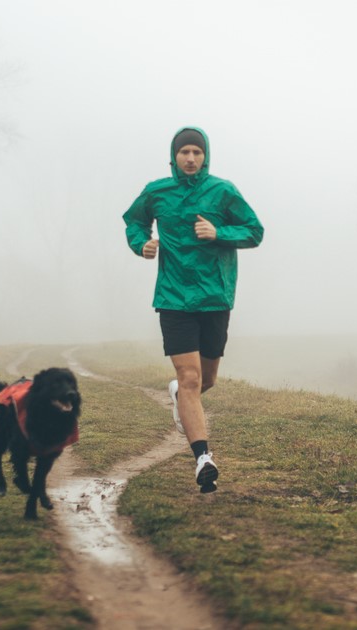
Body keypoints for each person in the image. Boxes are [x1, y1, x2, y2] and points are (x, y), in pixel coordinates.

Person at [122, 126, 264, 493]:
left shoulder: (223, 191)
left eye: (196, 153)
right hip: (173, 297)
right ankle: (203, 457)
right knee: (190, 379)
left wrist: (219, 233)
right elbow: (134, 220)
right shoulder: (157, 191)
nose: (190, 158)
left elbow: (254, 230)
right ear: (174, 157)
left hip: (215, 295)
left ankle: (179, 397)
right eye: (184, 152)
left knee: (206, 379)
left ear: (205, 156)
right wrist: (141, 244)